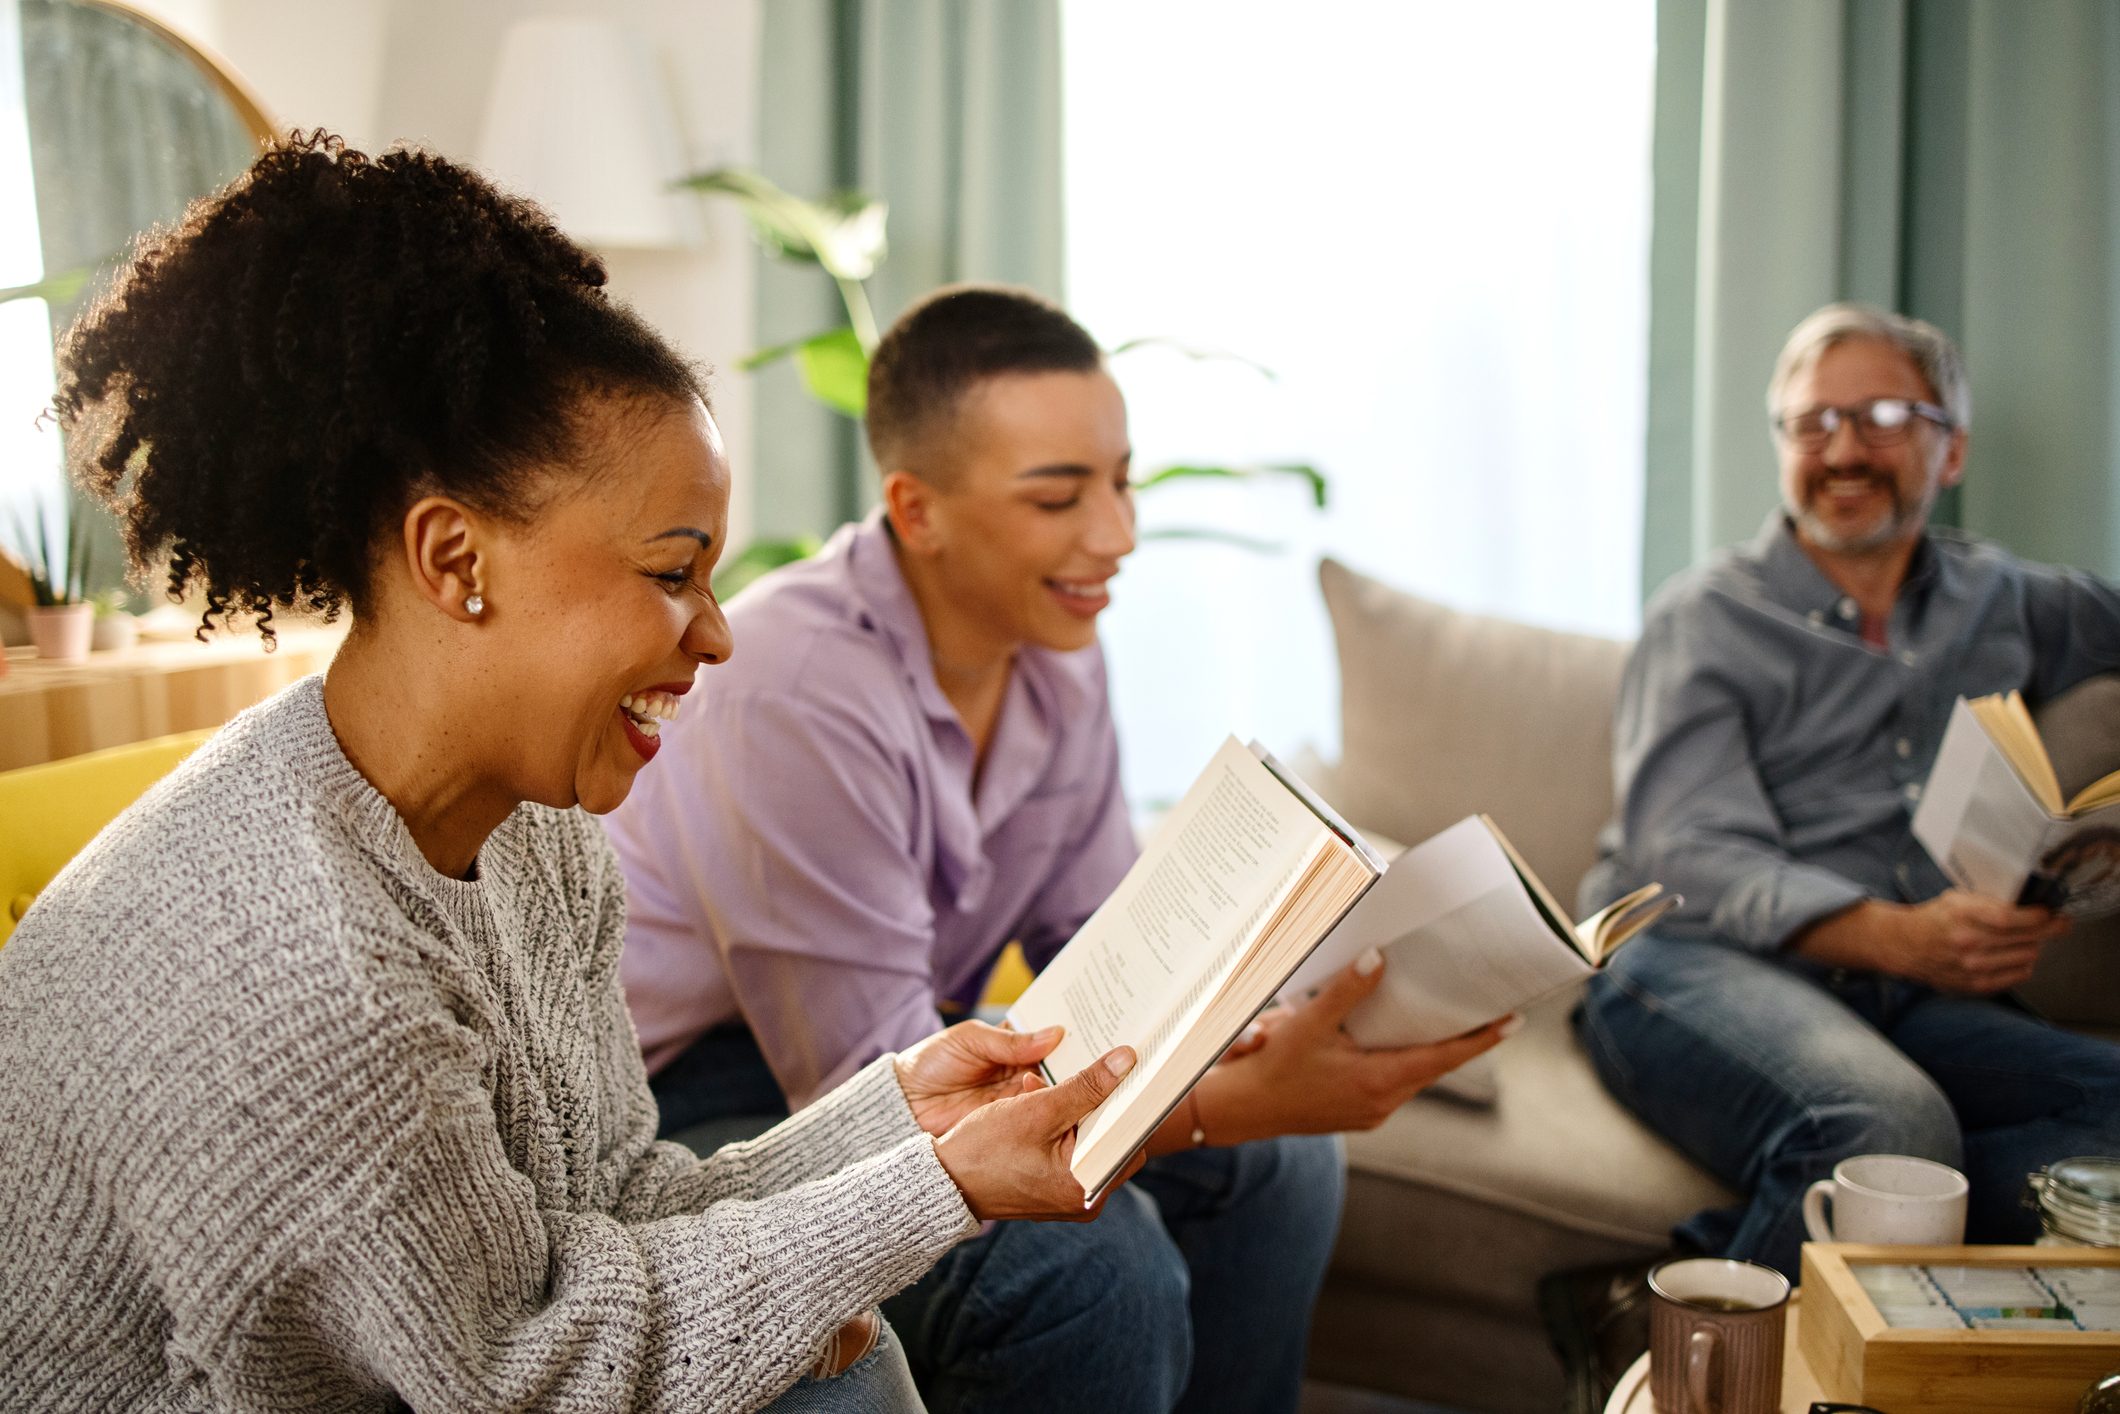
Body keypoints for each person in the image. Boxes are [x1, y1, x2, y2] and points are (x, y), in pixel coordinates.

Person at [0, 135, 1150, 1414]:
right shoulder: (308, 963)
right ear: (453, 560)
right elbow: (521, 1373)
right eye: (670, 574)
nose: (716, 632)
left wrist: (897, 1117)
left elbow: (612, 1202)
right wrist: (934, 1189)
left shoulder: (527, 830)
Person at [605, 284, 1510, 1414]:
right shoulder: (792, 685)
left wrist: (1242, 1027)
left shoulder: (1057, 651)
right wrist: (1220, 1101)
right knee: (1091, 1266)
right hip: (701, 1095)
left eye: (1120, 479)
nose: (1117, 535)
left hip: (894, 1041)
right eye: (1057, 497)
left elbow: (1100, 945)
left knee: (1281, 1166)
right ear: (914, 507)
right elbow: (856, 1086)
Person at [1575, 302, 2120, 1284]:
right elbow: (1686, 854)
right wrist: (1897, 935)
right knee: (1885, 1125)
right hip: (1686, 961)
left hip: (1904, 995)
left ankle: (1721, 1249)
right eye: (1810, 422)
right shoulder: (1703, 617)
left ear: (1949, 451)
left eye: (1878, 415)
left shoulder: (2008, 601)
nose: (1841, 448)